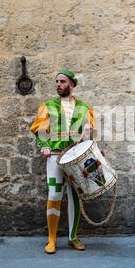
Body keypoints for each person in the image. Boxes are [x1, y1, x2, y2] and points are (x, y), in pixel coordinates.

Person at [30, 69, 96, 254]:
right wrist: (44, 145)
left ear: (71, 85)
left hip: (76, 158)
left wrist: (90, 130)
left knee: (75, 197)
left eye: (62, 81)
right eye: (57, 81)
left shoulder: (84, 108)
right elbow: (40, 129)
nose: (58, 84)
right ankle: (51, 240)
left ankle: (72, 237)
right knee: (54, 194)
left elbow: (90, 136)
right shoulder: (48, 106)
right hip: (55, 157)